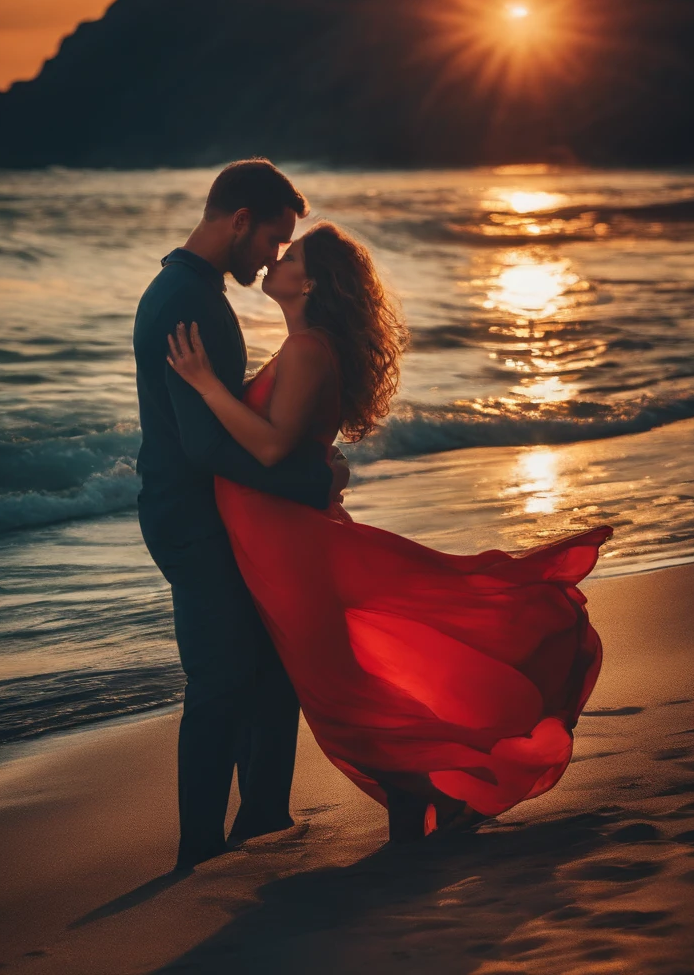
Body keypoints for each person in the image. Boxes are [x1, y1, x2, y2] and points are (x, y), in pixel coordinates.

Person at [166, 220, 611, 842]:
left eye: (288, 254)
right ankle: (413, 800)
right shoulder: (303, 348)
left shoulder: (307, 350)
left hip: (287, 544)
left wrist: (205, 384)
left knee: (335, 691)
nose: (274, 261)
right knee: (337, 685)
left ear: (311, 281)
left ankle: (422, 794)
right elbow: (292, 445)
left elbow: (268, 449)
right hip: (277, 536)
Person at [134, 159, 349, 871]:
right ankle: (198, 846)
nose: (272, 258)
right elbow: (202, 446)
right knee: (222, 678)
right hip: (191, 516)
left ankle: (260, 817)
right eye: (270, 241)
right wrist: (305, 479)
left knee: (264, 664)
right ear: (238, 222)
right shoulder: (187, 302)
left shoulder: (189, 292)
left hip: (204, 510)